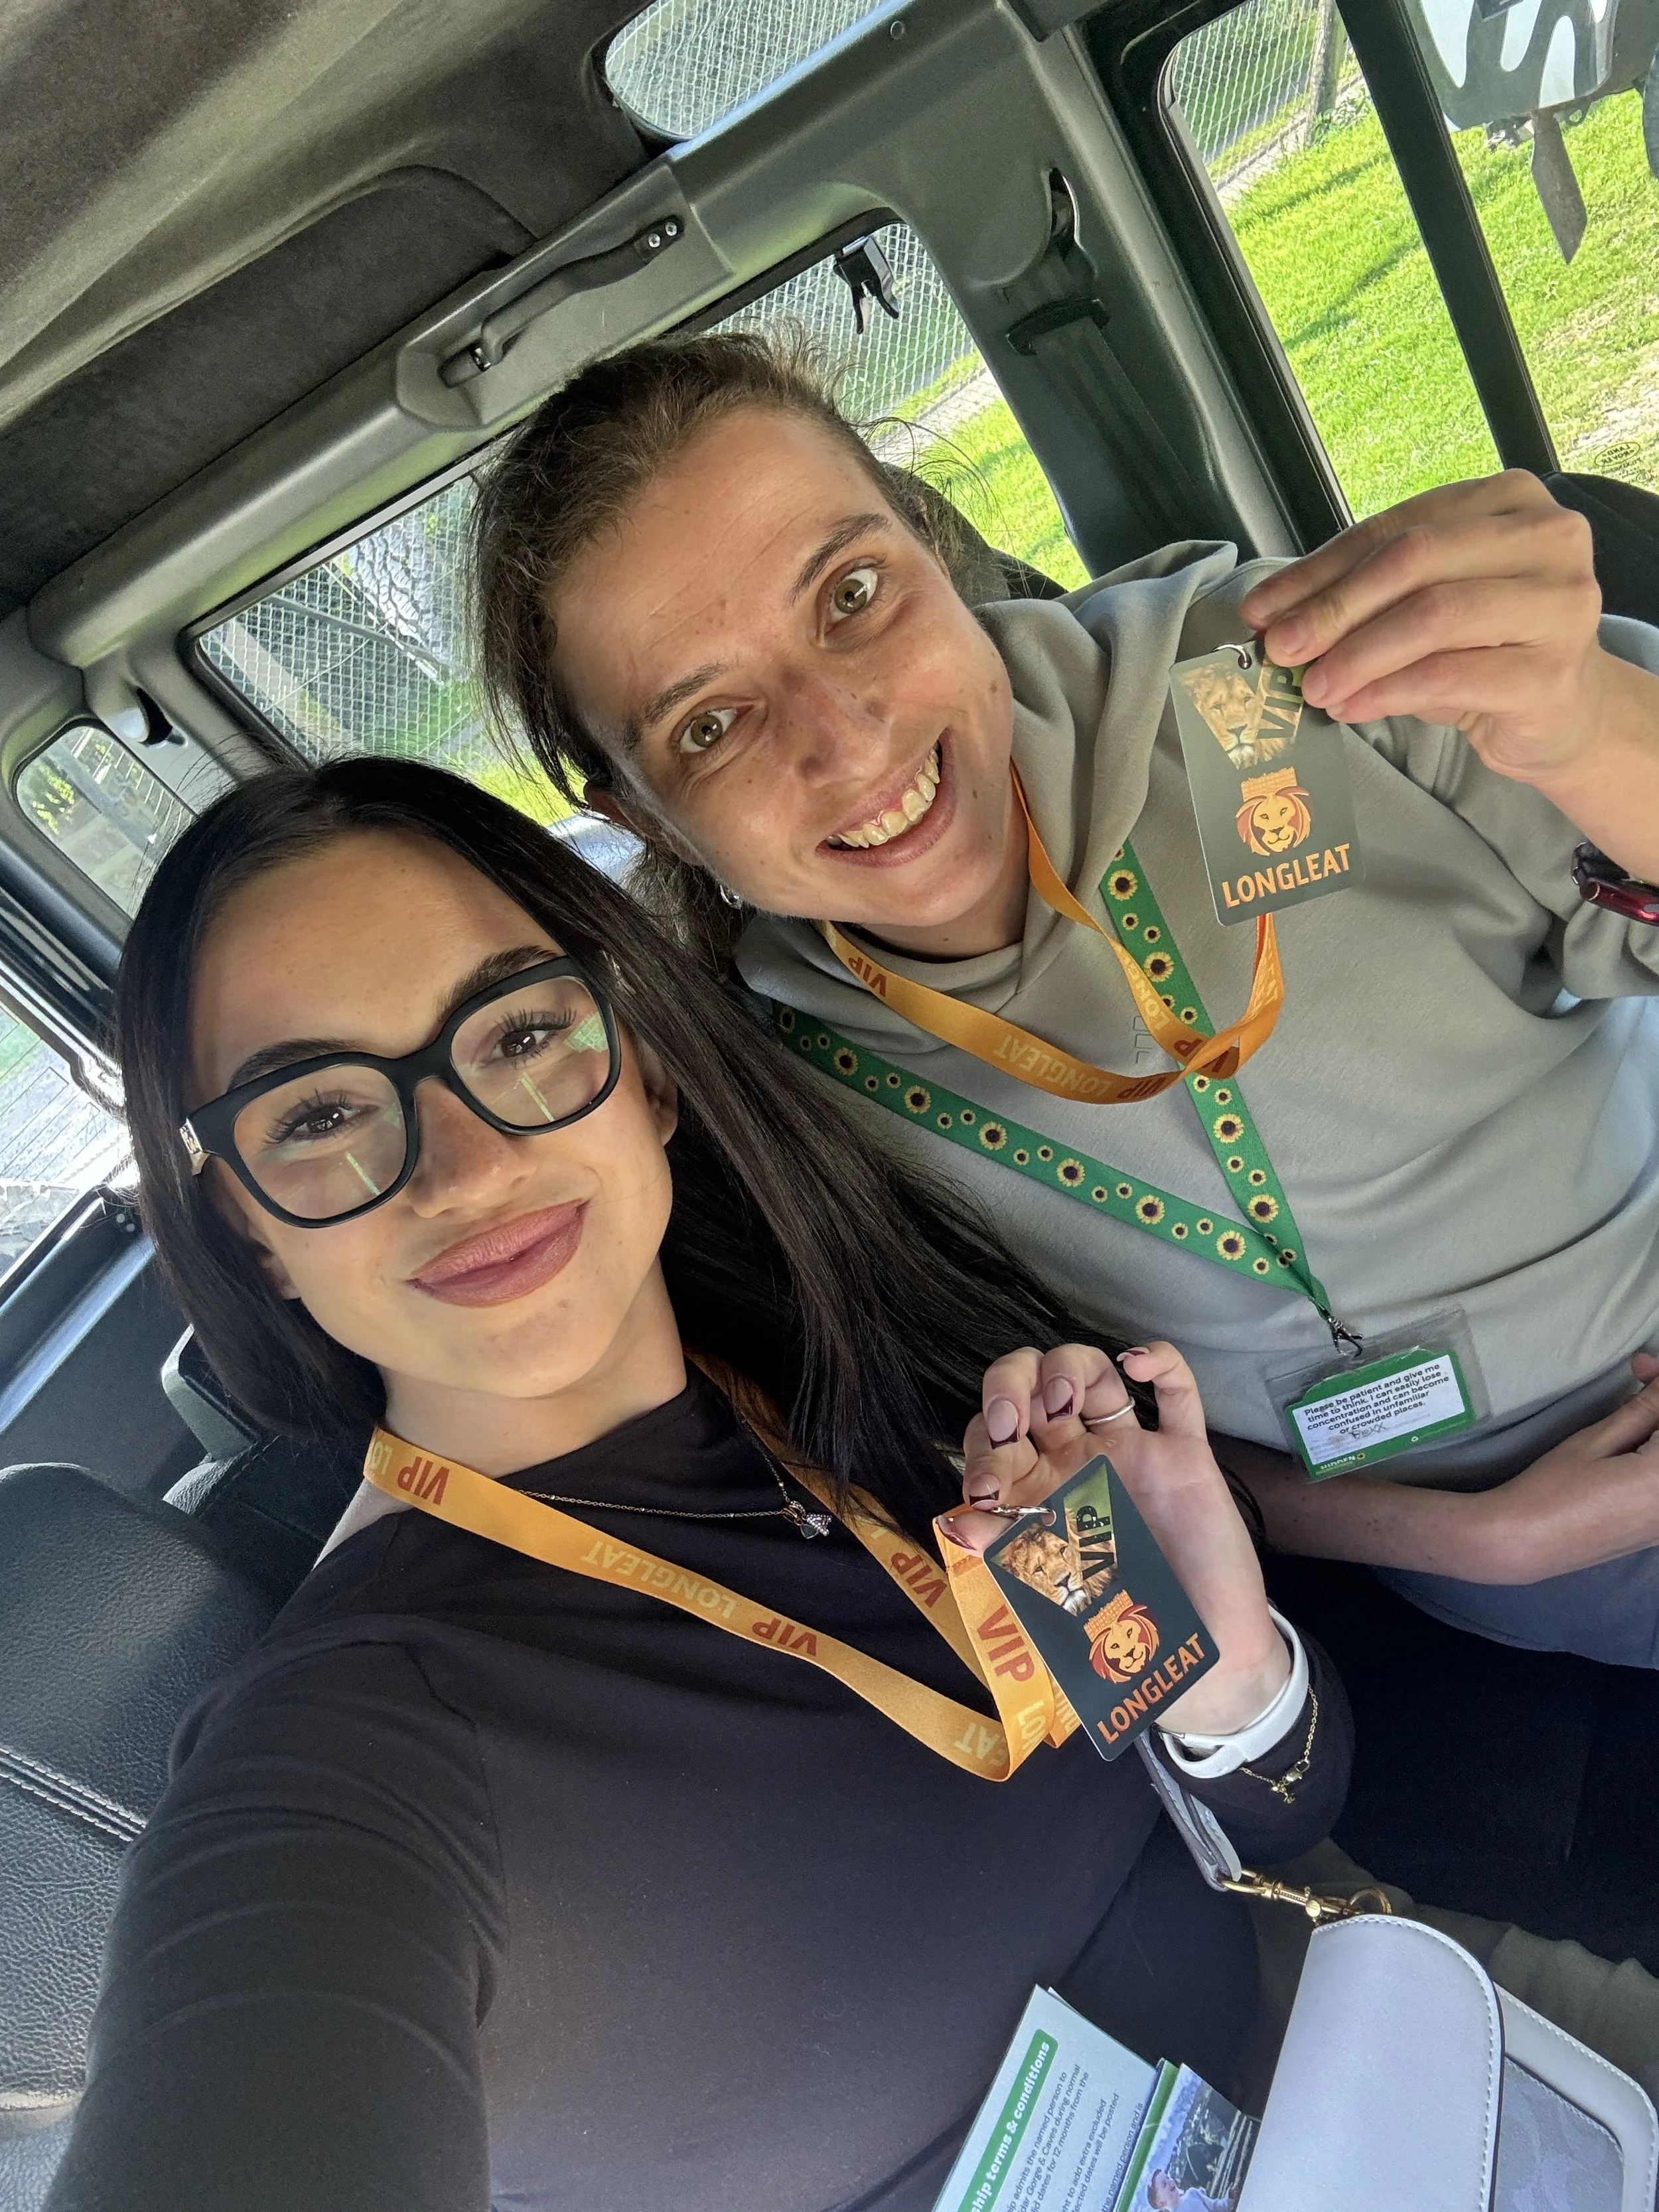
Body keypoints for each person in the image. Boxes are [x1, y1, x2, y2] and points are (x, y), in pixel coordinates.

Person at [45, 758, 1350, 2212]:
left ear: (646, 1068)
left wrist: (1232, 1679)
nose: (466, 1165)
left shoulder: (910, 1393)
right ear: (250, 1232)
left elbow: (1281, 1820)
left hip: (1396, 2064)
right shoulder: (346, 1758)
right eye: (316, 1115)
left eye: (523, 1030)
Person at [470, 331, 1659, 1666]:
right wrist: (1477, 1541)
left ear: (934, 551)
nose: (847, 739)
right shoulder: (781, 1106)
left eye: (852, 594)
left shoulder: (1253, 676)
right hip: (1505, 1577)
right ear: (648, 821)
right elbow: (1050, 1463)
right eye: (709, 724)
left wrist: (1582, 722)